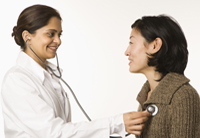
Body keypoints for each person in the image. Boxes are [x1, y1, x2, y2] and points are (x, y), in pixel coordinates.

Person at [1, 4, 150, 138]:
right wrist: (115, 123)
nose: (58, 41)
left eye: (59, 34)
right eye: (50, 34)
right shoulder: (17, 80)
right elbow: (54, 133)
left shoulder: (49, 75)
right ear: (27, 37)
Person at [124, 15, 200, 138]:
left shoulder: (183, 96)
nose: (126, 52)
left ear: (155, 45)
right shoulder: (147, 95)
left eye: (131, 42)